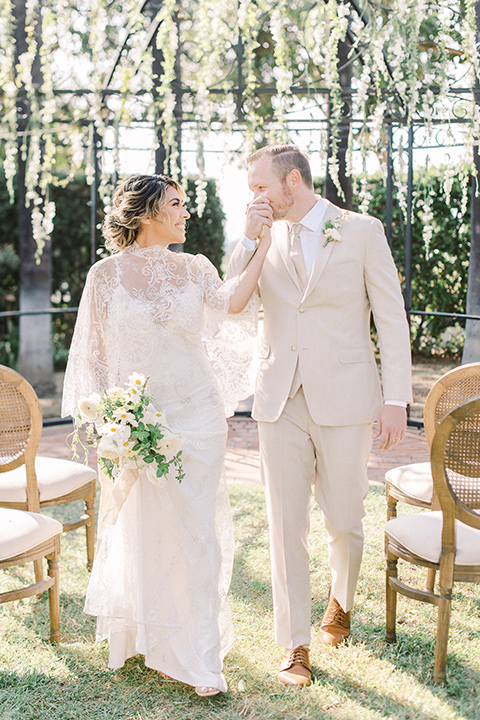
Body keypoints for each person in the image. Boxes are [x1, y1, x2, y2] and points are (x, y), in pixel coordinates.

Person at [62, 174, 270, 697]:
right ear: (147, 212)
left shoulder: (195, 268)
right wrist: (116, 419)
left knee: (198, 533)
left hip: (198, 416)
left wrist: (259, 244)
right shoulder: (103, 276)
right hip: (140, 419)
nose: (186, 213)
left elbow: (234, 303)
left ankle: (201, 659)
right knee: (145, 524)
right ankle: (145, 633)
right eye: (176, 204)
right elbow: (97, 354)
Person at [227, 144, 412, 687]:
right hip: (278, 397)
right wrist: (249, 235)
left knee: (345, 520)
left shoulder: (361, 230)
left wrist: (396, 398)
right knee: (285, 525)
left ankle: (341, 602)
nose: (255, 198)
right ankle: (295, 644)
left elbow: (391, 317)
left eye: (261, 188)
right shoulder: (264, 233)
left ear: (292, 181)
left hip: (348, 396)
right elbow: (230, 294)